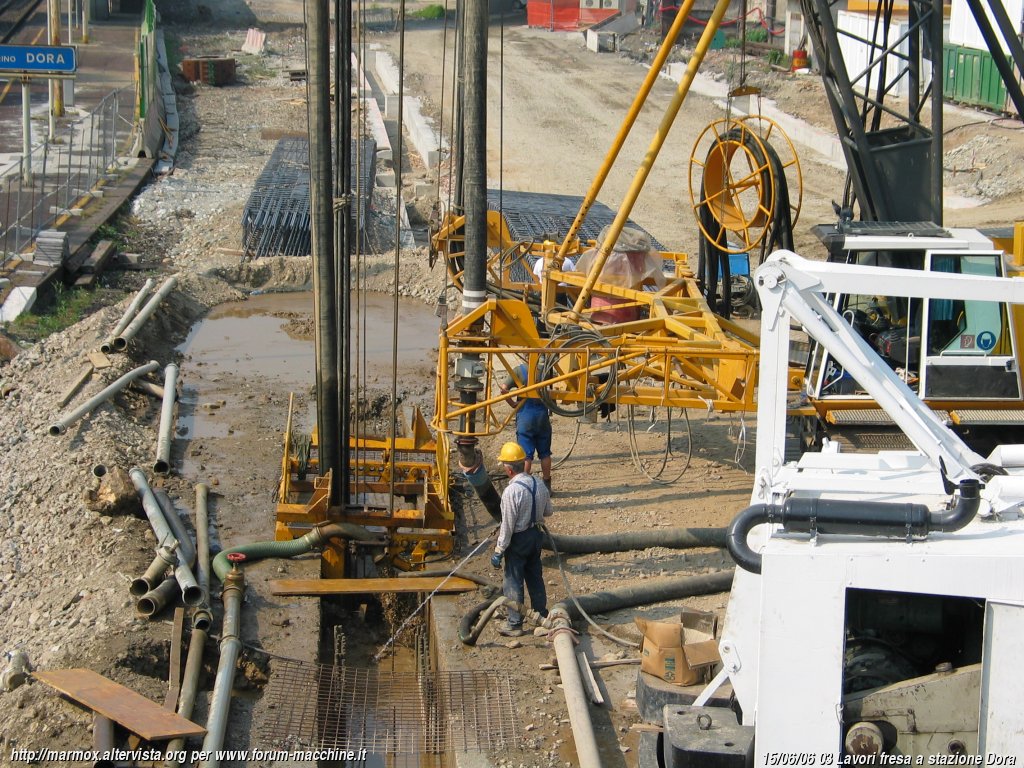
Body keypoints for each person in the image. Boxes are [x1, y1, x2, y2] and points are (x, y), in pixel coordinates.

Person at [490, 441, 553, 637]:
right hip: (536, 536)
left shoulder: (511, 492)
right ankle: (541, 615)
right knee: (535, 576)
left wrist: (499, 551)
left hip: (518, 539)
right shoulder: (539, 483)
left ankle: (515, 624)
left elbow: (507, 526)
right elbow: (548, 511)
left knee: (513, 580)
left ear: (509, 470)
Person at [499, 362, 553, 493]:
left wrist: (513, 404)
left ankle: (524, 488)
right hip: (542, 416)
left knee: (526, 455)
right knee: (545, 454)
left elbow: (503, 390)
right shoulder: (544, 370)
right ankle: (547, 486)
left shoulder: (518, 370)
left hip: (525, 416)